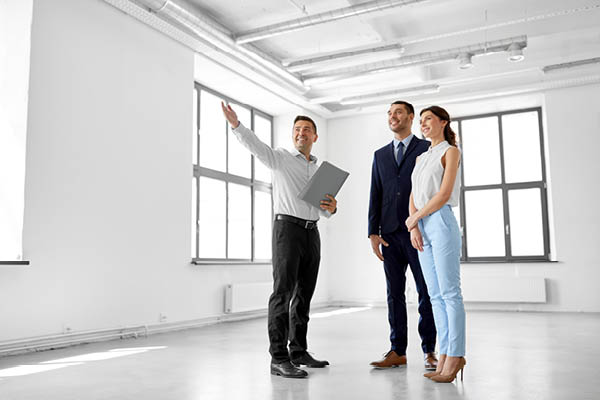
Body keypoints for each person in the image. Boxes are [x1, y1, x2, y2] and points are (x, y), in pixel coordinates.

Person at [221, 102, 338, 379]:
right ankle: (278, 358)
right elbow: (256, 146)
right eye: (297, 129)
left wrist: (332, 206)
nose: (301, 133)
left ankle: (298, 351)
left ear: (314, 137)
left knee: (304, 295)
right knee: (282, 293)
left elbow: (325, 210)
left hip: (312, 231)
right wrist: (237, 125)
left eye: (306, 130)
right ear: (293, 135)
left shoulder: (320, 169)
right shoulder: (281, 158)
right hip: (287, 230)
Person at [368, 100, 438, 370]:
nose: (392, 116)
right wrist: (373, 232)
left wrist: (420, 222)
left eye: (398, 112)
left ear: (410, 117)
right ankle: (397, 350)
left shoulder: (426, 148)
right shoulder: (380, 155)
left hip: (417, 231)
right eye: (389, 113)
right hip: (389, 235)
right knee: (393, 294)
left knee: (426, 292)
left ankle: (429, 350)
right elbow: (375, 193)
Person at [406, 105, 466, 383]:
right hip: (422, 226)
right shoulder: (420, 158)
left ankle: (455, 354)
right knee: (435, 296)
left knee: (450, 292)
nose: (423, 124)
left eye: (428, 119)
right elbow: (413, 195)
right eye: (421, 121)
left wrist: (416, 217)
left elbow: (443, 194)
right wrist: (414, 225)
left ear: (443, 122)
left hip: (441, 221)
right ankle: (443, 355)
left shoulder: (450, 152)